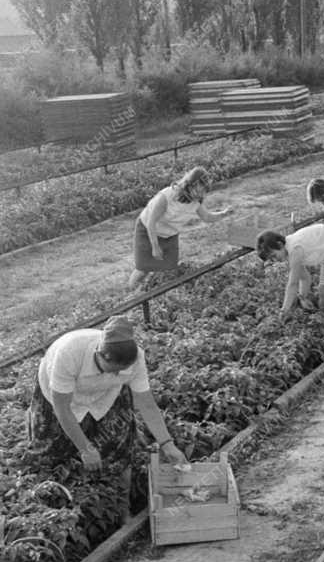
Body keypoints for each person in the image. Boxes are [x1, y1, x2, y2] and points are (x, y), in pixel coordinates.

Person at [29, 317, 187, 512]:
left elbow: (146, 403)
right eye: (112, 370)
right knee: (51, 453)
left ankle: (123, 511)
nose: (115, 375)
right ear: (100, 354)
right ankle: (58, 510)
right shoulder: (69, 353)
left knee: (118, 447)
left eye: (120, 372)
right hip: (59, 397)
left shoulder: (136, 359)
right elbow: (62, 408)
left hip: (106, 395)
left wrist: (167, 444)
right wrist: (85, 448)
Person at [128, 167, 230, 290]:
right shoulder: (167, 196)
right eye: (198, 191)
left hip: (169, 235)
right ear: (190, 184)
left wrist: (224, 213)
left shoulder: (195, 201)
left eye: (203, 192)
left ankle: (152, 292)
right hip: (148, 231)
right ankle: (131, 297)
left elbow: (207, 217)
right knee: (143, 268)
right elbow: (151, 222)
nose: (200, 195)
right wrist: (155, 247)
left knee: (168, 269)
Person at [256, 221, 324, 331]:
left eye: (274, 256)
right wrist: (303, 298)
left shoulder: (295, 250)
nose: (275, 260)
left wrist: (284, 310)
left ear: (280, 245)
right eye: (271, 259)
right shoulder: (289, 253)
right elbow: (305, 278)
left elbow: (293, 284)